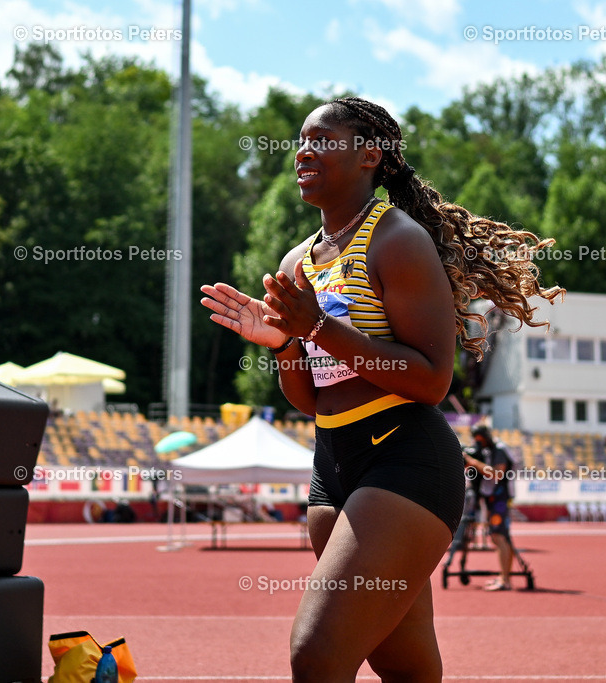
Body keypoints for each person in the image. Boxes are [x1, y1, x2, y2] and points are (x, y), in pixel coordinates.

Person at [200, 96, 562, 681]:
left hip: (404, 463)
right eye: (300, 140)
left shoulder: (397, 240)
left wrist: (318, 326)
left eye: (322, 139)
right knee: (410, 670)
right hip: (333, 465)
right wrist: (284, 343)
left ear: (370, 154)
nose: (303, 151)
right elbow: (309, 398)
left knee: (316, 654)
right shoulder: (299, 261)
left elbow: (429, 379)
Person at [462, 424, 516, 591]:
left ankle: (505, 580)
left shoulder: (499, 450)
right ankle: (503, 577)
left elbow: (497, 473)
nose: (479, 443)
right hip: (494, 497)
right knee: (499, 537)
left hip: (500, 497)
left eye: (481, 440)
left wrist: (472, 461)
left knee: (499, 537)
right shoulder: (490, 451)